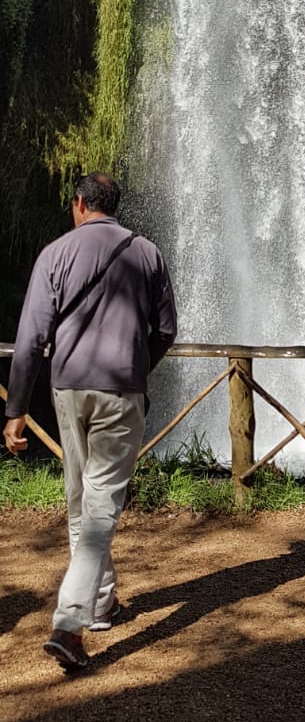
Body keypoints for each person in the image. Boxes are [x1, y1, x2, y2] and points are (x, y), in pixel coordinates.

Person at [2, 171, 176, 671]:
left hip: (68, 391)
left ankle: (99, 603)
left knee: (82, 498)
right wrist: (137, 365)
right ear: (112, 205)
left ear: (79, 204)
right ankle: (70, 624)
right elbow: (166, 329)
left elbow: (32, 337)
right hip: (121, 390)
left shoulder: (54, 254)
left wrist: (15, 412)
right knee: (99, 505)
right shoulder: (146, 253)